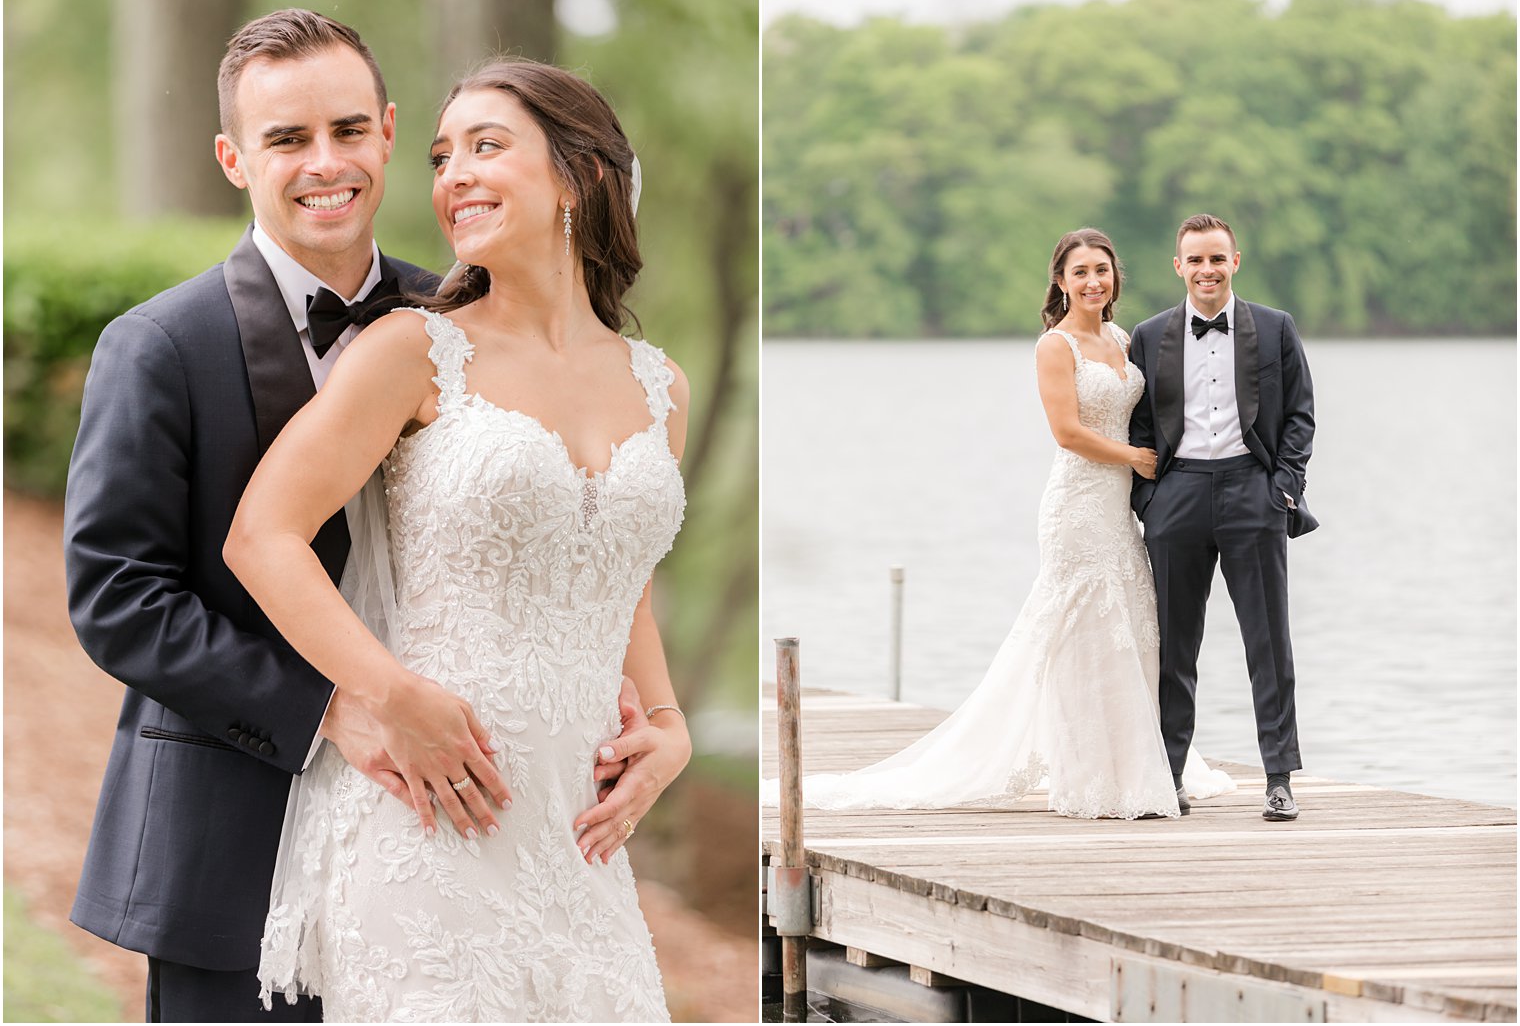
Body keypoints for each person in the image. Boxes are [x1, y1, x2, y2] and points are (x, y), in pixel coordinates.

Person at [223, 58, 691, 1022]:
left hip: (580, 843)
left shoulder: (660, 384)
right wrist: (391, 697)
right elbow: (262, 536)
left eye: (487, 147)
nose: (453, 176)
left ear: (582, 174)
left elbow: (619, 573)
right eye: (441, 157)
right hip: (433, 819)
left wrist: (673, 726)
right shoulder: (413, 350)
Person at [763, 230, 1232, 819]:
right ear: (1060, 281)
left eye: (1103, 271)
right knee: (1085, 634)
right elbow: (1066, 432)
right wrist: (1136, 459)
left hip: (1119, 509)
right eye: (1080, 272)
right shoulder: (1055, 347)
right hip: (1078, 506)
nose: (1093, 282)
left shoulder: (1120, 338)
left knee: (1133, 629)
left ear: (1116, 278)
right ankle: (1093, 779)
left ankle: (1140, 765)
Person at [1128, 213, 1316, 822]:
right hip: (1176, 496)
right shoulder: (1149, 334)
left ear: (1235, 261)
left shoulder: (1275, 327)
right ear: (1177, 266)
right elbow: (1134, 426)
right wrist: (1147, 501)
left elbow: (1300, 416)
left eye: (1217, 258)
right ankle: (1170, 774)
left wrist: (1281, 489)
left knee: (1268, 643)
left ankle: (1279, 778)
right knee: (1173, 648)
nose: (1206, 270)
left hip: (1250, 493)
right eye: (1195, 260)